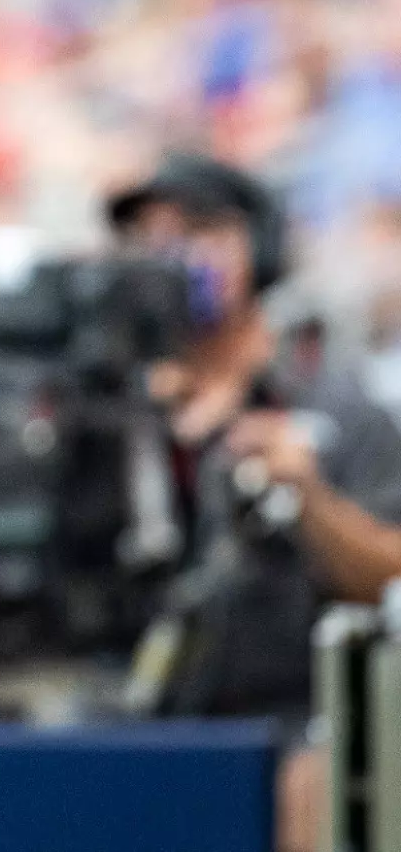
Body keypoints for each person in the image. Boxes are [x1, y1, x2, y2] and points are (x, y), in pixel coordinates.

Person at [109, 154, 401, 852]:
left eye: (199, 231)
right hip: (126, 713)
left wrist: (307, 497)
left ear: (260, 247)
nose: (172, 257)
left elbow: (389, 572)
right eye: (150, 237)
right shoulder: (104, 408)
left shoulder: (332, 402)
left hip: (289, 721)